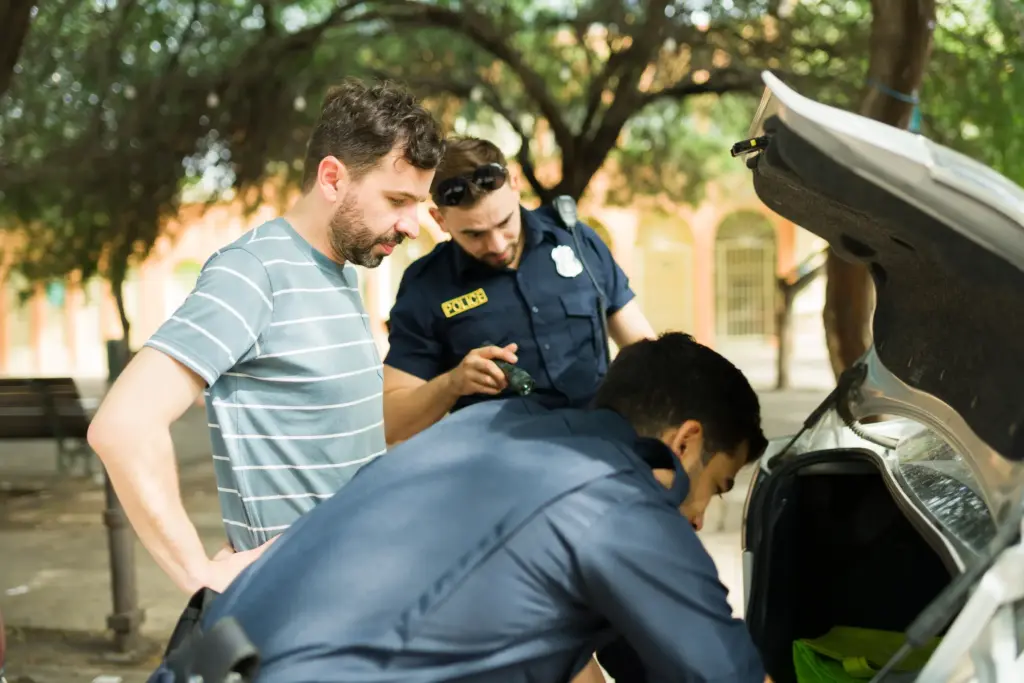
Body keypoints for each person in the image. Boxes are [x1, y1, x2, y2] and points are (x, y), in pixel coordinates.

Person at [150, 332, 769, 683]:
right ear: (685, 441)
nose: (698, 520)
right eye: (715, 487)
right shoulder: (616, 498)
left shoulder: (490, 428)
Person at [86, 78, 446, 595]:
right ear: (331, 178)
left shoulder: (339, 269)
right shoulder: (252, 273)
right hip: (295, 611)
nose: (414, 224)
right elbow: (123, 425)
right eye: (397, 200)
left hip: (363, 591)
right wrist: (200, 576)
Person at [382, 136, 657, 444]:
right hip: (504, 477)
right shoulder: (426, 286)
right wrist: (452, 383)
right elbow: (392, 422)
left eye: (504, 222)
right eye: (474, 234)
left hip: (603, 453)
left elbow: (647, 354)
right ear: (439, 219)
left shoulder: (578, 241)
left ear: (515, 185)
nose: (497, 245)